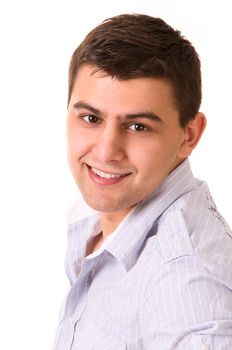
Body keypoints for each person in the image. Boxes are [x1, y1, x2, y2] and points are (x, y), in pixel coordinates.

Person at [53, 13, 232, 350]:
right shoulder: (102, 224)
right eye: (91, 118)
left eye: (138, 126)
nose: (106, 151)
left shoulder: (187, 279)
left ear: (188, 135)